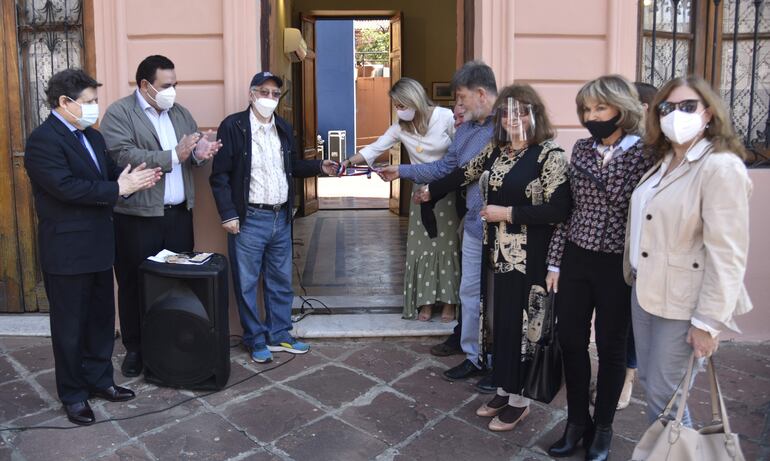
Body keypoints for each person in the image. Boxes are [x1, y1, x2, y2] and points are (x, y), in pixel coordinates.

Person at [417, 84, 570, 431]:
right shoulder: (497, 152)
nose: (513, 119)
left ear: (535, 115)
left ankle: (520, 401)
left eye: (521, 112)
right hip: (497, 254)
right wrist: (430, 191)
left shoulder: (549, 155)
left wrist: (508, 213)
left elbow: (560, 208)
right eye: (506, 112)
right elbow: (464, 173)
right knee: (500, 322)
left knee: (522, 328)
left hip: (531, 258)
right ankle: (504, 388)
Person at [23, 69, 162, 425]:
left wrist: (139, 174)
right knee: (70, 327)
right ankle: (73, 395)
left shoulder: (93, 137)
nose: (94, 108)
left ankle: (101, 381)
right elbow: (67, 187)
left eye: (94, 101)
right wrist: (119, 188)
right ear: (64, 103)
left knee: (101, 322)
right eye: (87, 102)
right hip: (67, 252)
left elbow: (110, 172)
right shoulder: (43, 141)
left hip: (101, 246)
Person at [625, 76, 753, 427]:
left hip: (684, 301)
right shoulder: (664, 161)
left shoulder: (720, 166)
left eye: (687, 106)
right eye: (667, 107)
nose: (675, 114)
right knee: (654, 386)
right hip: (646, 290)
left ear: (709, 113)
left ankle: (673, 450)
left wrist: (708, 322)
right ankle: (665, 449)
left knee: (667, 392)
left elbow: (728, 254)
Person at [545, 75, 652, 461]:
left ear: (621, 110)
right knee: (570, 339)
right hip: (576, 256)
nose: (591, 116)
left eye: (599, 108)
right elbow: (568, 208)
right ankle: (576, 423)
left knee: (611, 349)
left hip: (617, 265)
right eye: (586, 109)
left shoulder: (647, 152)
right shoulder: (581, 147)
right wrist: (555, 260)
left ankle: (603, 428)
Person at [100, 55, 222, 378]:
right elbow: (122, 155)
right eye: (166, 85)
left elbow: (190, 156)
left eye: (175, 84)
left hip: (179, 216)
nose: (173, 90)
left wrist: (199, 153)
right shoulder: (119, 113)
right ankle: (136, 350)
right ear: (145, 85)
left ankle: (172, 344)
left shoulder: (180, 114)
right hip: (137, 218)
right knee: (133, 284)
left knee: (179, 282)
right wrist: (173, 155)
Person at [380, 61, 497, 382]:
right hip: (475, 225)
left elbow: (465, 173)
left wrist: (431, 192)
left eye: (462, 98)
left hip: (505, 229)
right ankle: (473, 355)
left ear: (481, 95)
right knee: (470, 294)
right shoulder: (466, 132)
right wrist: (401, 171)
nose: (457, 106)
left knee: (498, 299)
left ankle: (499, 363)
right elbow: (444, 168)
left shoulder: (504, 129)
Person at [210, 71, 338, 364]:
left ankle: (280, 334)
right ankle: (255, 339)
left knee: (281, 280)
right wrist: (228, 214)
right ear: (251, 94)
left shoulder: (282, 127)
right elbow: (220, 176)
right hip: (249, 218)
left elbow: (290, 166)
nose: (269, 98)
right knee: (246, 282)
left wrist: (320, 166)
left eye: (274, 94)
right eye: (263, 92)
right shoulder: (234, 126)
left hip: (280, 216)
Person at [341, 78, 460, 322]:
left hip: (445, 190)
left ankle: (450, 303)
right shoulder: (400, 128)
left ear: (415, 99)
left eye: (402, 104)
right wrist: (347, 162)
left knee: (447, 247)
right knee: (421, 247)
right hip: (419, 191)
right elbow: (374, 148)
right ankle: (425, 302)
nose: (399, 110)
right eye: (395, 106)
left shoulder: (445, 117)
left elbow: (460, 153)